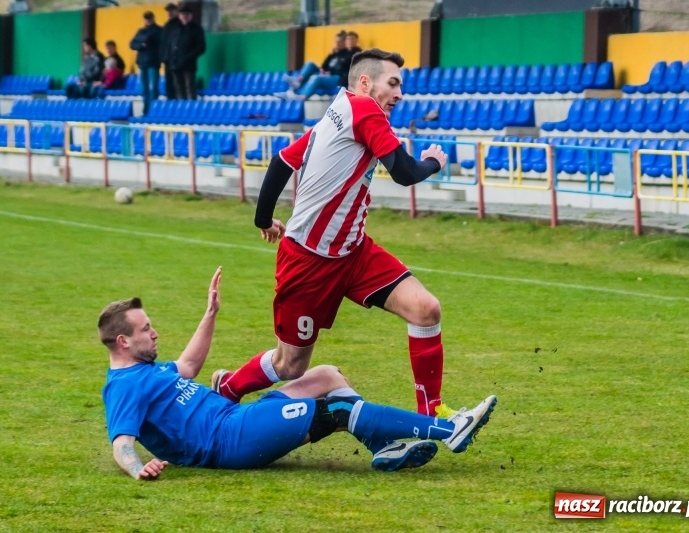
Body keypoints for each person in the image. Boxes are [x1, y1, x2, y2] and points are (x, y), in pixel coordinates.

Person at [213, 49, 462, 417]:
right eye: (393, 83)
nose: (399, 94)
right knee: (289, 366)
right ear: (365, 82)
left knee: (426, 309)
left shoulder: (339, 109)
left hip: (354, 253)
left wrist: (263, 219)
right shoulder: (364, 110)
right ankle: (229, 386)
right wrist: (433, 162)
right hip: (308, 261)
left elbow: (282, 160)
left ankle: (432, 414)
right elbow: (405, 172)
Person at [100, 268, 497, 479]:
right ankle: (449, 430)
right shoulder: (123, 387)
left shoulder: (149, 369)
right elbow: (121, 443)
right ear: (123, 341)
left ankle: (383, 447)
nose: (155, 333)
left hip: (237, 419)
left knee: (326, 375)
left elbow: (188, 367)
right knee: (337, 410)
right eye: (145, 330)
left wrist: (210, 314)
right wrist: (138, 468)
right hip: (228, 441)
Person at [276, 30, 347, 101]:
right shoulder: (334, 54)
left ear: (344, 42)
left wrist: (330, 72)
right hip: (327, 75)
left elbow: (344, 69)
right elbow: (324, 66)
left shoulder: (347, 54)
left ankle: (302, 97)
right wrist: (330, 55)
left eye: (339, 42)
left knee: (315, 77)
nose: (337, 43)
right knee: (310, 64)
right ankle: (296, 83)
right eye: (336, 41)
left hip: (337, 78)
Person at [167, 5, 206, 100]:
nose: (184, 16)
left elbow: (201, 47)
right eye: (182, 14)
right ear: (179, 16)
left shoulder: (196, 29)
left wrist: (189, 57)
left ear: (191, 16)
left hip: (189, 64)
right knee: (178, 88)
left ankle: (191, 107)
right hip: (175, 63)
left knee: (189, 87)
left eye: (187, 14)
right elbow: (170, 45)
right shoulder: (175, 28)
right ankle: (181, 106)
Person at [129, 11, 162, 115]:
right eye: (146, 19)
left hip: (153, 62)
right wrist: (141, 45)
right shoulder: (141, 31)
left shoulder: (159, 30)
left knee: (153, 88)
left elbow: (157, 42)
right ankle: (145, 110)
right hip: (142, 63)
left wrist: (142, 42)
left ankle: (153, 110)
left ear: (153, 18)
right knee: (144, 89)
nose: (148, 20)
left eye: (149, 18)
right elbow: (132, 44)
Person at [159, 2, 180, 100]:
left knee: (178, 84)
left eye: (172, 11)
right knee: (169, 84)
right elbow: (163, 43)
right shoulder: (167, 25)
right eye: (168, 11)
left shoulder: (179, 25)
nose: (169, 13)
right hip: (168, 60)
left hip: (177, 60)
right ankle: (170, 101)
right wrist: (163, 57)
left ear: (176, 11)